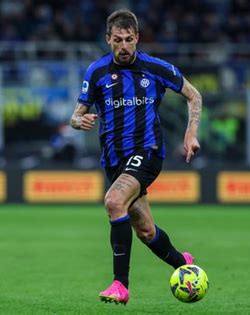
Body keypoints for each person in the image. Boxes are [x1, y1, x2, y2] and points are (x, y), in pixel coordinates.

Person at [70, 10, 202, 305]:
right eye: (118, 40)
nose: (124, 46)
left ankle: (121, 285)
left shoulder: (155, 67)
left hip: (148, 152)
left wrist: (191, 133)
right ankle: (184, 264)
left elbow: (194, 95)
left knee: (114, 202)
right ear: (108, 40)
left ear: (137, 38)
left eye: (129, 39)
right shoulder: (96, 72)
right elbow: (75, 117)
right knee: (145, 230)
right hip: (114, 161)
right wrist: (80, 122)